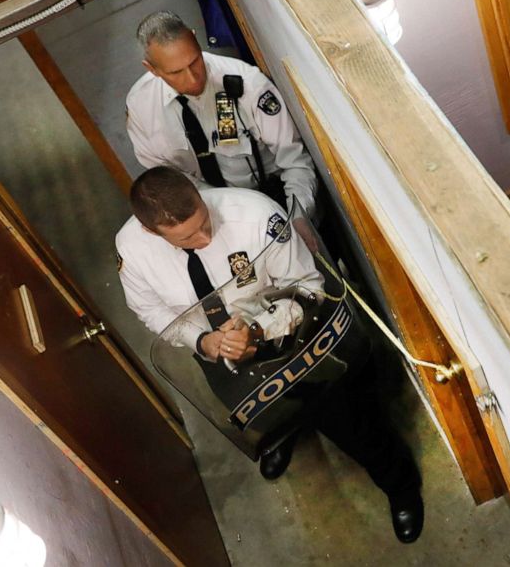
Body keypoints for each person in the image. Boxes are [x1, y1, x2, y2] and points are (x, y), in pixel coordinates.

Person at [115, 166, 424, 543]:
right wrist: (203, 341)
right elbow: (150, 310)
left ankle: (400, 483)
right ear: (151, 231)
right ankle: (283, 431)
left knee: (349, 421)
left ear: (196, 192)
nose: (205, 236)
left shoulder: (257, 215)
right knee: (264, 416)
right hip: (217, 351)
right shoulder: (131, 247)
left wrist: (259, 329)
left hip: (290, 333)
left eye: (204, 221)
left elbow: (308, 287)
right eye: (187, 237)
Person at [125, 10, 318, 220]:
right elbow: (167, 182)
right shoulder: (141, 107)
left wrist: (298, 217)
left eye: (195, 61)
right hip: (211, 215)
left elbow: (295, 161)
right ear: (151, 69)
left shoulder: (248, 84)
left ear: (195, 38)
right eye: (176, 72)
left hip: (275, 198)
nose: (192, 78)